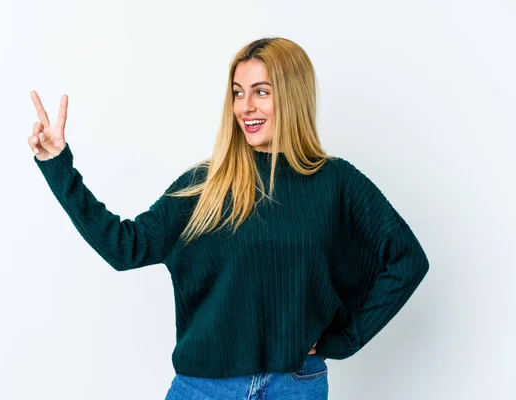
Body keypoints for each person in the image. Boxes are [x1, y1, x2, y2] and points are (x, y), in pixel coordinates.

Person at [27, 37, 429, 399]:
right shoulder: (206, 185)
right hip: (204, 389)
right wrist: (58, 165)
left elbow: (407, 259)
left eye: (261, 92)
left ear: (292, 96)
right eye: (238, 93)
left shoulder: (336, 181)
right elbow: (124, 247)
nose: (245, 107)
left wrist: (344, 339)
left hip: (296, 386)